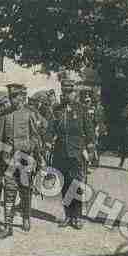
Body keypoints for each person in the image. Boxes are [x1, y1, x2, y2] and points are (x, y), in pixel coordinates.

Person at [0, 84, 46, 239]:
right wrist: (1, 158)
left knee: (25, 191)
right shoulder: (5, 116)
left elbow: (35, 138)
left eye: (16, 97)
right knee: (9, 191)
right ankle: (7, 225)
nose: (13, 100)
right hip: (9, 161)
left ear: (21, 97)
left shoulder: (29, 114)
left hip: (25, 159)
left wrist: (30, 150)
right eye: (11, 97)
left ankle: (26, 216)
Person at [52, 79, 94, 230]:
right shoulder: (57, 109)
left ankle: (77, 216)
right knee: (64, 185)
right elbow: (51, 129)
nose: (67, 94)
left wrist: (90, 150)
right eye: (65, 91)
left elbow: (89, 131)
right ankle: (68, 215)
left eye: (70, 91)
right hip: (61, 152)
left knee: (77, 185)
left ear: (74, 92)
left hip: (77, 152)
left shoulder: (81, 109)